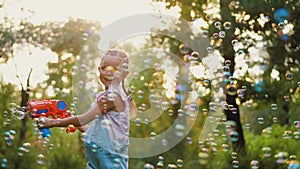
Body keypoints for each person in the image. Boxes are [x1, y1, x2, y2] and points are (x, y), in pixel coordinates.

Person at [39, 49, 137, 169]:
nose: (108, 73)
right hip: (97, 154)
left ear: (125, 74)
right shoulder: (107, 95)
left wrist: (52, 122)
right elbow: (97, 132)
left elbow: (84, 119)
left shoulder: (114, 97)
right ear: (99, 69)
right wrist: (77, 125)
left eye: (115, 69)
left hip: (110, 155)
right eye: (104, 68)